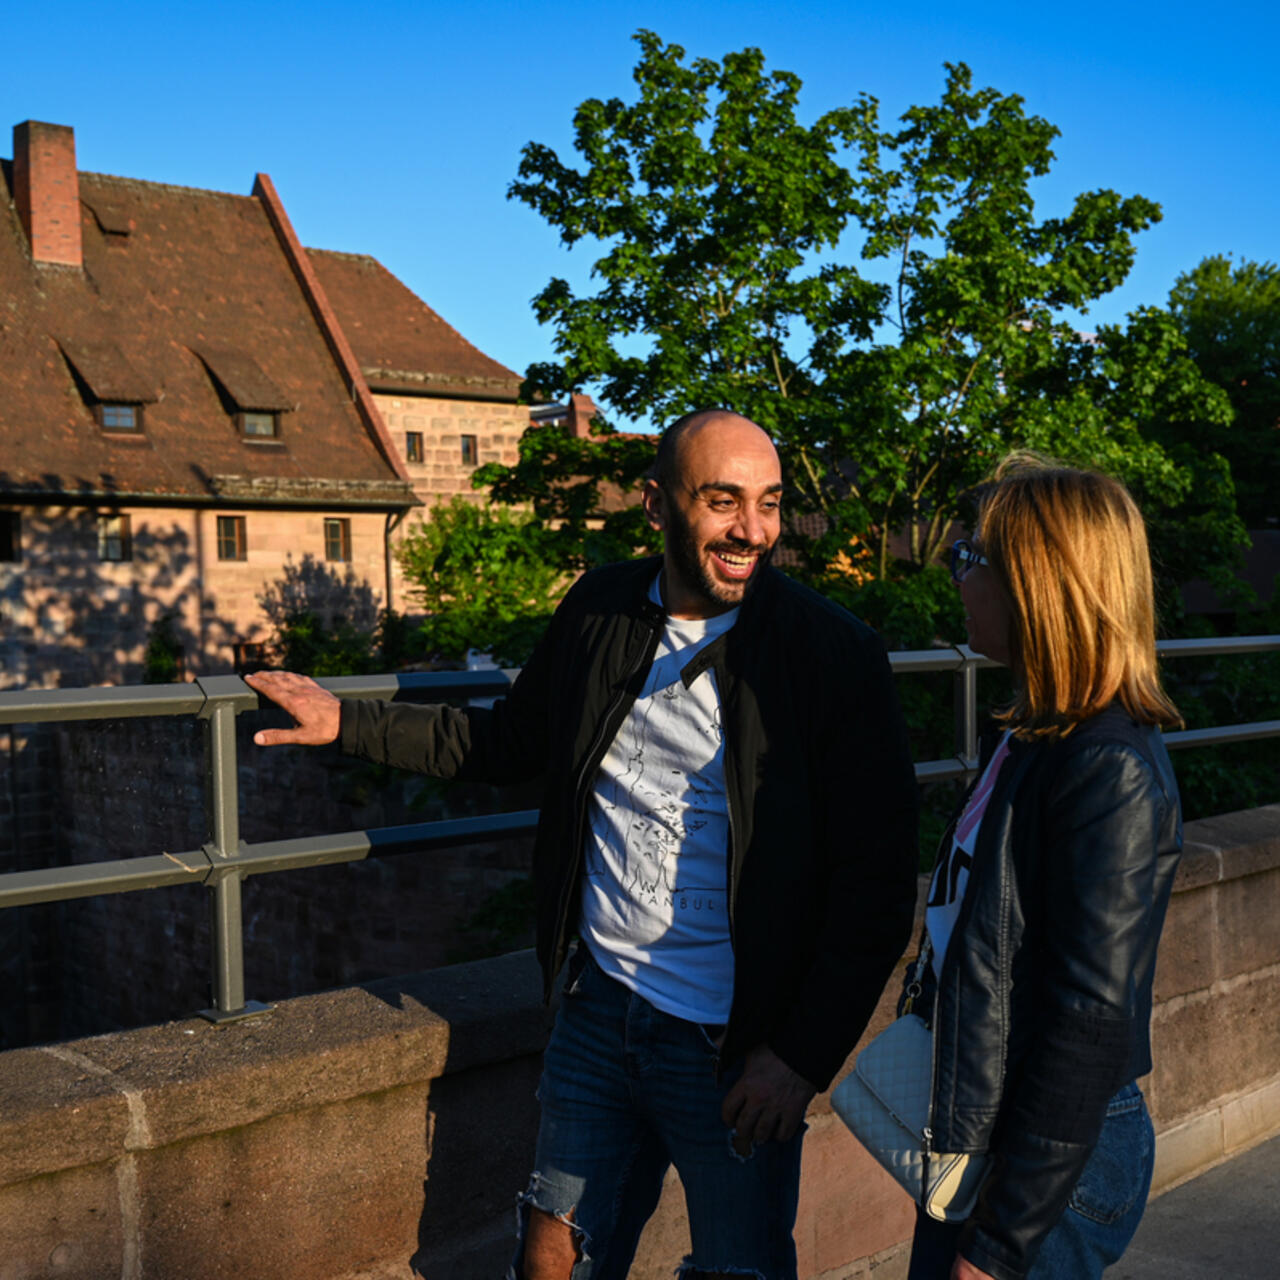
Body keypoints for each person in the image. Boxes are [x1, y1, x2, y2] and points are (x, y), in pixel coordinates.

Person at [247, 408, 919, 1280]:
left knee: (739, 1267)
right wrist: (348, 722)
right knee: (551, 1256)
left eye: (769, 502)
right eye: (723, 502)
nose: (752, 531)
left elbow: (876, 884)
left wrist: (799, 1057)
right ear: (656, 505)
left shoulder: (831, 654)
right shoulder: (601, 608)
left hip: (734, 1044)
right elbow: (509, 742)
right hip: (598, 1013)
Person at [905, 455, 1183, 1280]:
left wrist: (998, 1244)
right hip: (1001, 1127)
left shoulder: (1106, 768)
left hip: (1050, 1159)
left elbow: (1089, 1022)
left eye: (967, 557)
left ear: (1037, 579)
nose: (953, 576)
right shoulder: (1031, 739)